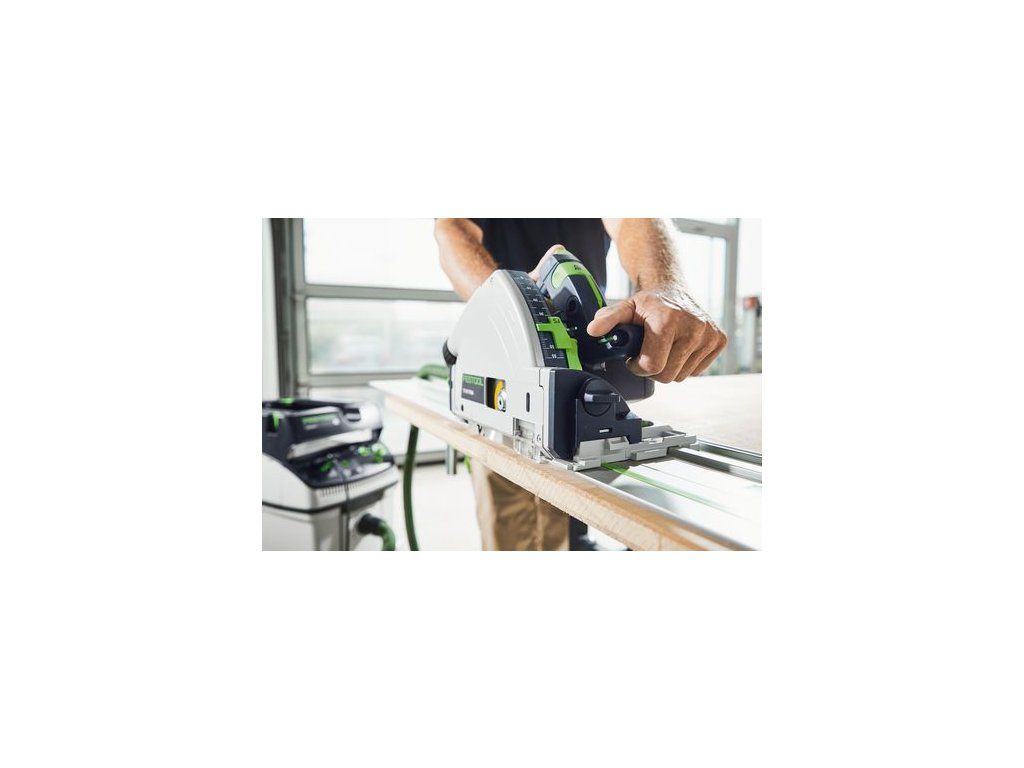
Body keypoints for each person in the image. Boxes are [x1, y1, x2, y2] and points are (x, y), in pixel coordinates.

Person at [434, 218, 727, 551]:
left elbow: (634, 218)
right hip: (504, 359)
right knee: (515, 526)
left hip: (580, 343)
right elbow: (452, 230)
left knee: (570, 509)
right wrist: (509, 302)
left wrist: (664, 286)